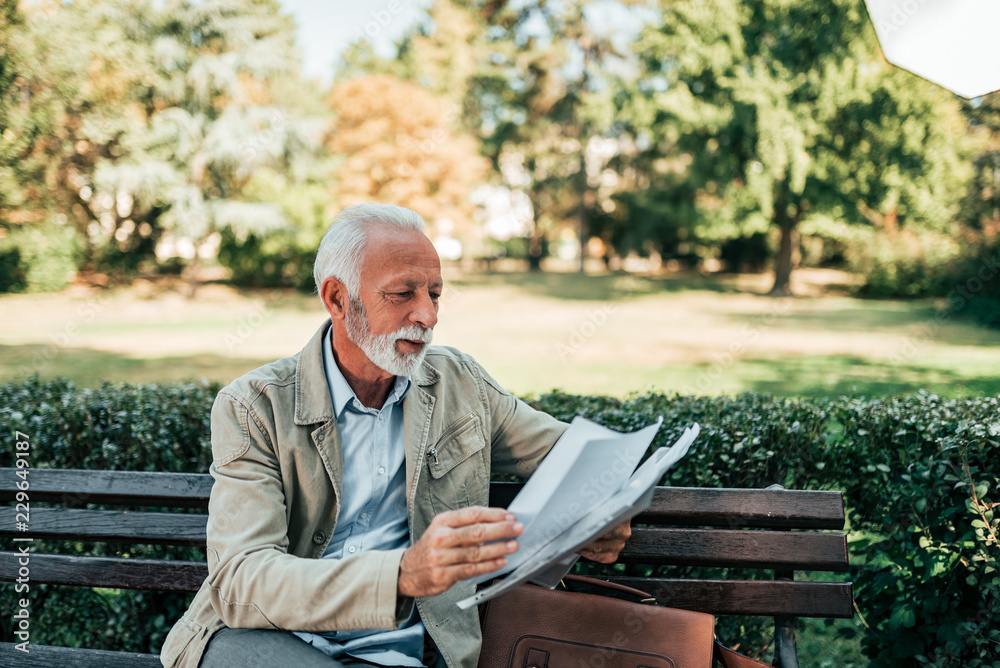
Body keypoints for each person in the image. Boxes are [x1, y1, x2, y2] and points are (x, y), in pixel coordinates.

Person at [160, 204, 630, 668]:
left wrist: (603, 508)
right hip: (266, 642)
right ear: (337, 299)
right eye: (403, 293)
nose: (428, 315)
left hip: (400, 655)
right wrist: (402, 575)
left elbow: (580, 456)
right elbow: (243, 580)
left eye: (435, 293)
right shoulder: (255, 406)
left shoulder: (460, 384)